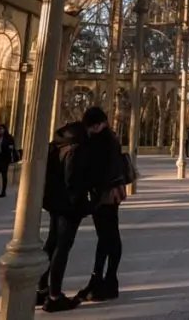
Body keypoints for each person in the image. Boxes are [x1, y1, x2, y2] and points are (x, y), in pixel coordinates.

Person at [37, 118, 91, 312]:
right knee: (62, 246)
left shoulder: (58, 145)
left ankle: (41, 287)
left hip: (54, 202)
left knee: (51, 244)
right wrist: (81, 203)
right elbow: (72, 179)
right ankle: (54, 295)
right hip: (68, 206)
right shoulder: (75, 148)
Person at [77, 107, 128, 303]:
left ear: (99, 124)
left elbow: (100, 169)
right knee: (108, 236)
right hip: (109, 194)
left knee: (108, 236)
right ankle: (104, 279)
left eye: (91, 127)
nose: (89, 130)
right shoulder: (109, 139)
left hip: (105, 195)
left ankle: (104, 280)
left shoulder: (103, 141)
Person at [0, 123, 17, 198]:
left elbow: (11, 147)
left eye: (1, 129)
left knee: (4, 174)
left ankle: (3, 191)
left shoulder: (9, 138)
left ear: (4, 129)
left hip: (5, 158)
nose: (0, 130)